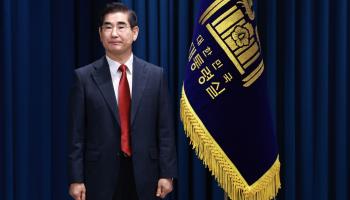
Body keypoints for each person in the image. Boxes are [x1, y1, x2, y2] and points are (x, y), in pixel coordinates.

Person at [67, 2, 177, 200]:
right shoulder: (83, 78)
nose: (114, 33)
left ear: (134, 32)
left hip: (146, 175)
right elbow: (77, 134)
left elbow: (165, 130)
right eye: (107, 27)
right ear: (100, 34)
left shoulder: (155, 76)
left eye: (121, 26)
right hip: (99, 176)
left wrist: (166, 173)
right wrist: (76, 179)